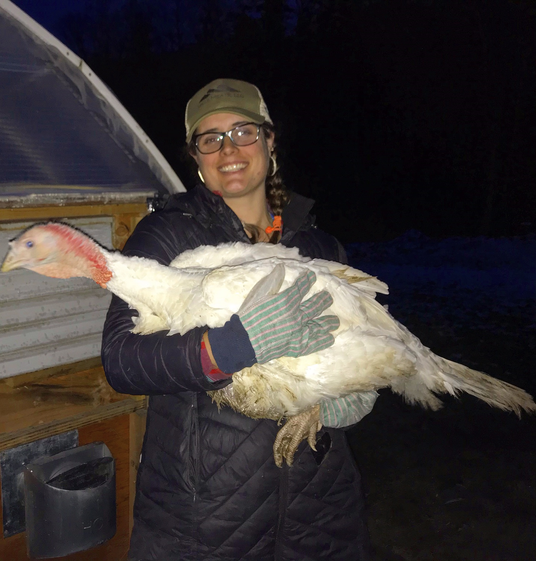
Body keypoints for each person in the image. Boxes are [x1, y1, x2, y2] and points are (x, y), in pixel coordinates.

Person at [102, 78, 377, 561]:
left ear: (270, 142)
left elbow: (363, 344)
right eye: (210, 139)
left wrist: (353, 391)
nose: (229, 149)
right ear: (196, 156)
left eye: (243, 132)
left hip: (319, 510)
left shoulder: (319, 247)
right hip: (204, 518)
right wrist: (233, 344)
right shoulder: (167, 237)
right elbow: (122, 359)